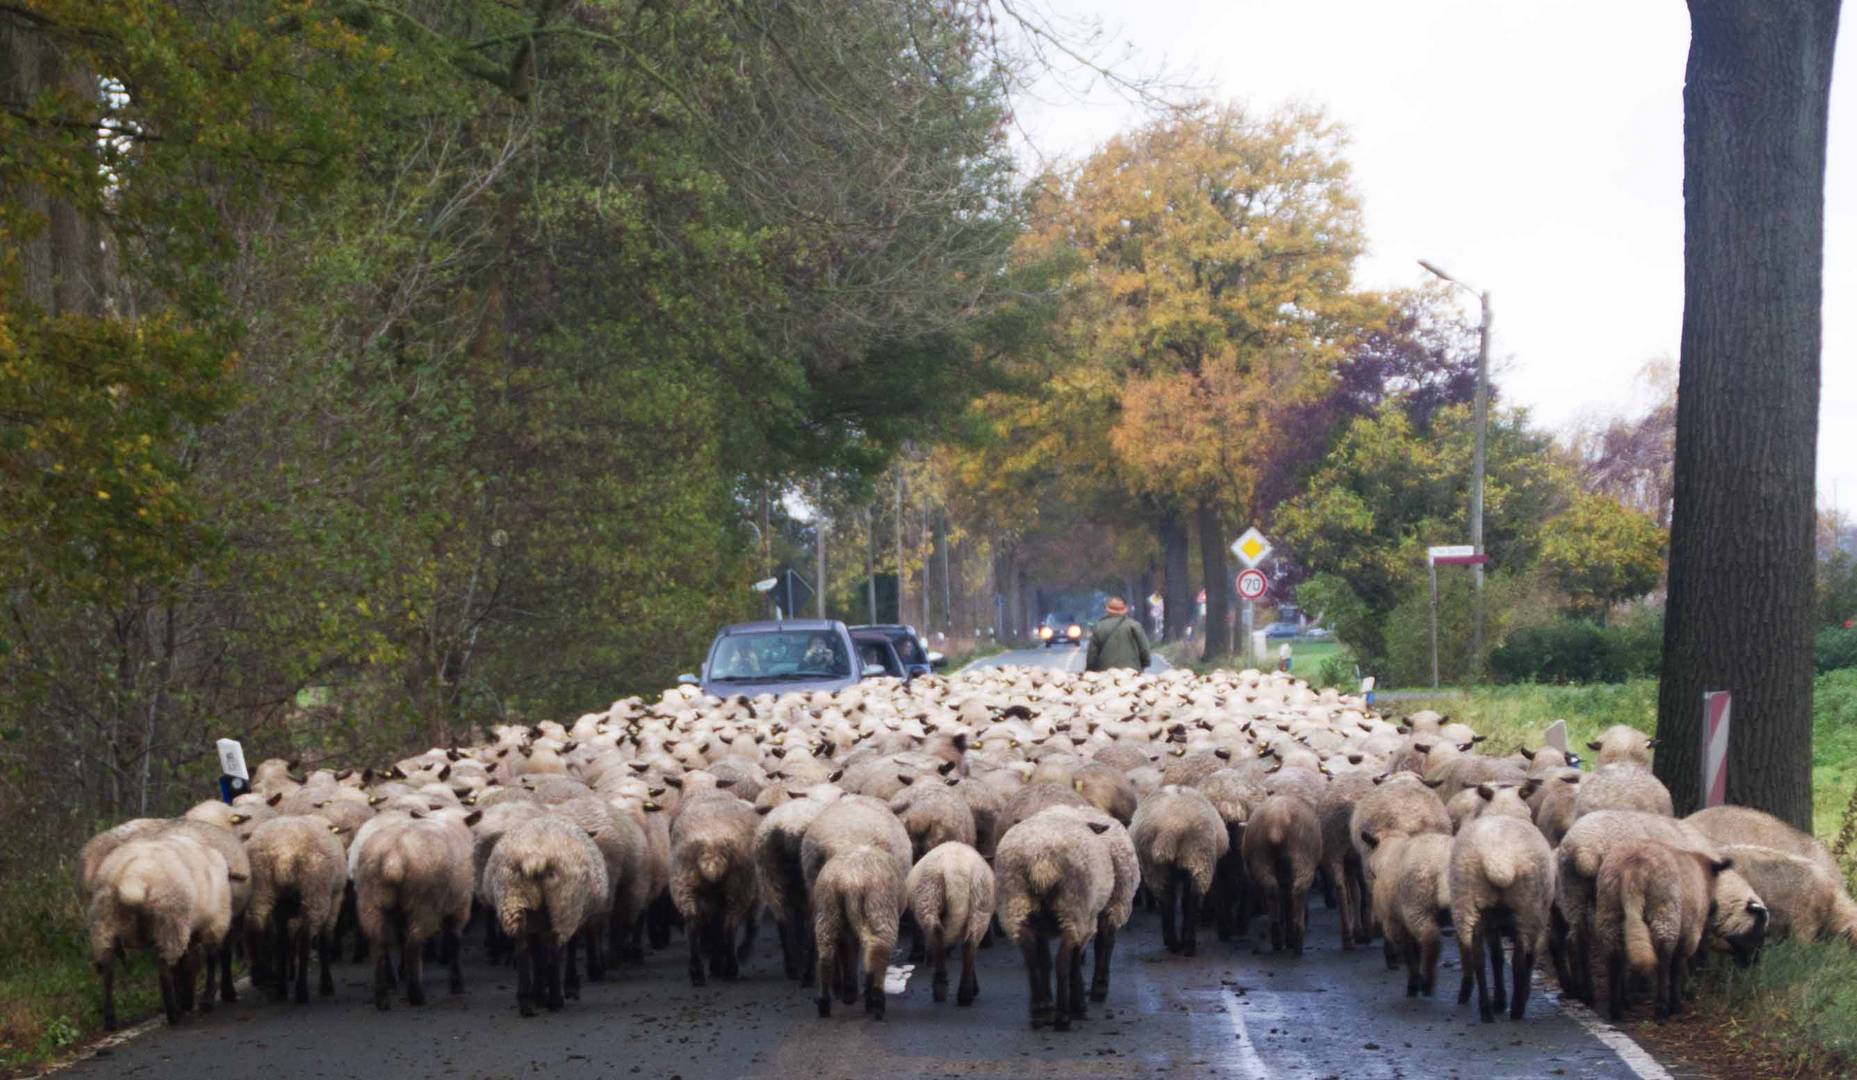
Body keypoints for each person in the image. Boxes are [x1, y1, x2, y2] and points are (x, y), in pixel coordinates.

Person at [1087, 597, 1152, 672]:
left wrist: (1090, 669)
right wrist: (1145, 664)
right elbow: (1144, 648)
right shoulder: (1134, 625)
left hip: (1105, 672)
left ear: (1107, 610)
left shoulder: (1099, 626)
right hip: (1132, 672)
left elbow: (1092, 652)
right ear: (1124, 610)